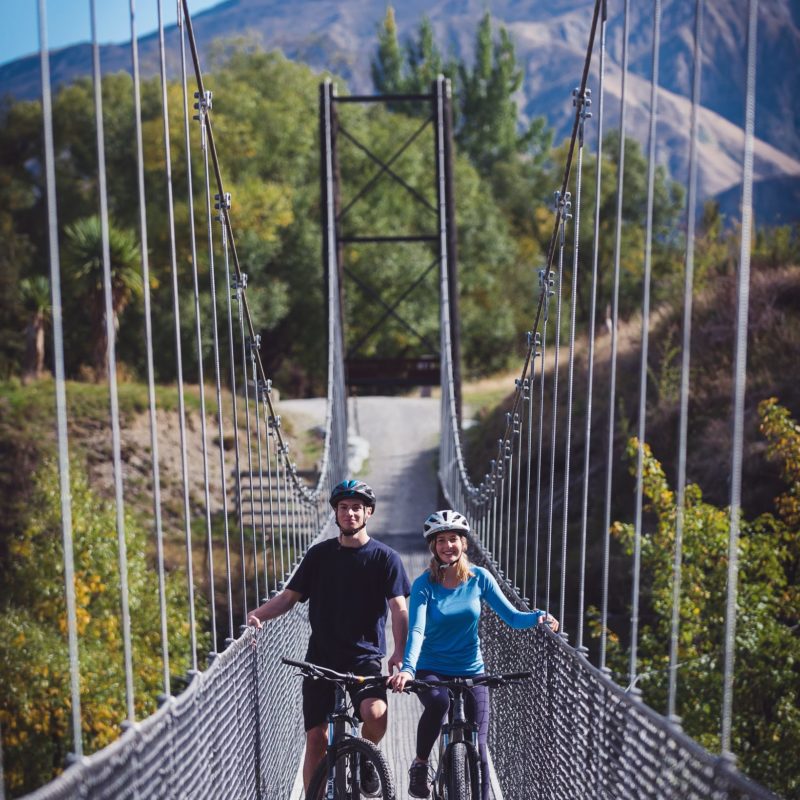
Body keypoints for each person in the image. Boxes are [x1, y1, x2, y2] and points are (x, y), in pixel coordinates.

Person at [247, 479, 410, 795]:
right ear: (336, 513)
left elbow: (399, 609)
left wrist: (399, 651)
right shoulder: (319, 555)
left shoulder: (385, 557)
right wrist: (257, 615)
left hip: (365, 658)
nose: (350, 513)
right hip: (320, 659)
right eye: (344, 508)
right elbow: (288, 598)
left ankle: (365, 757)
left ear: (368, 513)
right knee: (316, 739)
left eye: (357, 508)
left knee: (375, 715)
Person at [388, 509, 559, 799]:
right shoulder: (423, 586)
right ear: (433, 546)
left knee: (480, 750)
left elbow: (514, 617)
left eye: (453, 539)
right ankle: (419, 764)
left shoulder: (480, 578)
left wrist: (539, 617)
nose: (447, 546)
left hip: (472, 669)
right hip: (432, 668)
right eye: (440, 540)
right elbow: (416, 630)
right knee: (439, 703)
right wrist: (408, 668)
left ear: (463, 543)